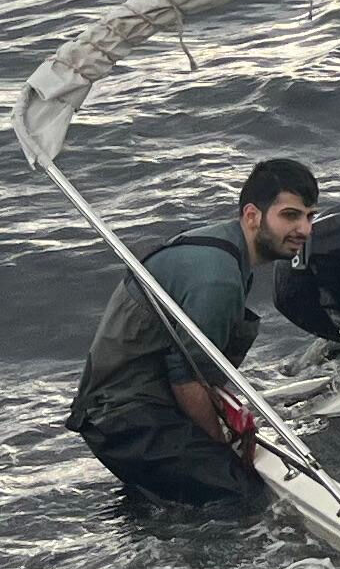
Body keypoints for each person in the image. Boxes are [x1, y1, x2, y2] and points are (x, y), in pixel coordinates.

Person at [65, 158, 319, 507]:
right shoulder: (218, 278)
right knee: (244, 497)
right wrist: (220, 445)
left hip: (131, 407)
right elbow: (186, 381)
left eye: (310, 216)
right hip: (125, 420)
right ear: (252, 215)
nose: (304, 229)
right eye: (290, 215)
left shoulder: (222, 248)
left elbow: (195, 366)